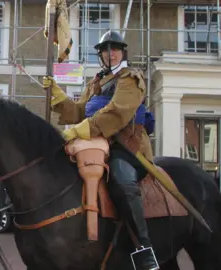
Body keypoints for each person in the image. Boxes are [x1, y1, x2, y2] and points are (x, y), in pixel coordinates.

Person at [42, 30, 159, 270]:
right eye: (105, 50)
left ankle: (143, 248)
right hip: (96, 142)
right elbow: (77, 111)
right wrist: (57, 94)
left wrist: (82, 129)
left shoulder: (131, 78)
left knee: (122, 181)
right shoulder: (97, 82)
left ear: (122, 52)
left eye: (114, 49)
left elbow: (118, 111)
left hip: (127, 145)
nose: (110, 54)